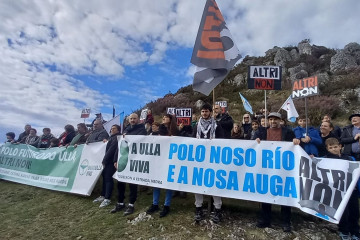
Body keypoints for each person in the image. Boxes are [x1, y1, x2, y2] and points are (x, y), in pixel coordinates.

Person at [254, 112, 299, 232]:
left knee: (284, 194)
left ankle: (285, 222)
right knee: (266, 193)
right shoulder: (261, 131)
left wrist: (296, 141)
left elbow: (296, 145)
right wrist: (256, 140)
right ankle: (265, 220)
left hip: (283, 168)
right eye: (271, 119)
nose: (273, 122)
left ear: (280, 120)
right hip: (266, 167)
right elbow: (253, 141)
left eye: (276, 119)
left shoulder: (288, 132)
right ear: (268, 121)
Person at [192, 103, 224, 223]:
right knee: (198, 183)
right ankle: (198, 208)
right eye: (202, 111)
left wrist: (214, 142)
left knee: (214, 183)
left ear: (210, 112)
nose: (204, 113)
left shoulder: (217, 125)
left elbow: (223, 140)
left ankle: (218, 209)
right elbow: (192, 140)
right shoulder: (196, 126)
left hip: (213, 159)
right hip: (200, 159)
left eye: (206, 111)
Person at [110, 113, 146, 216]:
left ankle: (131, 204)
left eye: (134, 118)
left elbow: (140, 141)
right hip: (123, 159)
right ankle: (120, 203)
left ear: (138, 119)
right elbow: (119, 146)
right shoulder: (125, 130)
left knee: (132, 183)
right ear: (128, 120)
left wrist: (128, 137)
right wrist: (115, 160)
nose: (133, 120)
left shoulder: (142, 130)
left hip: (134, 160)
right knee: (120, 182)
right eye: (131, 119)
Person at [324, 138, 360, 240]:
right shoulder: (325, 159)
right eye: (331, 148)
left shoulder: (350, 158)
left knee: (355, 212)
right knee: (343, 212)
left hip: (352, 190)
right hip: (338, 191)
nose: (334, 149)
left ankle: (355, 232)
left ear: (340, 146)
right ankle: (344, 231)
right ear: (327, 149)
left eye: (335, 147)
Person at [146, 124, 173, 217]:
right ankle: (155, 204)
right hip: (157, 165)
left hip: (168, 165)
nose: (160, 136)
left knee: (169, 185)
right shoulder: (155, 139)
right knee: (156, 184)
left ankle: (166, 205)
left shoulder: (171, 139)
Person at [96, 125, 122, 208]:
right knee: (104, 177)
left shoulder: (117, 138)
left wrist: (104, 160)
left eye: (114, 128)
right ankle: (103, 195)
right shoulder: (111, 137)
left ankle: (107, 198)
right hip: (107, 161)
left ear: (118, 130)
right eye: (111, 128)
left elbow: (111, 150)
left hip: (110, 161)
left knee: (108, 179)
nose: (111, 130)